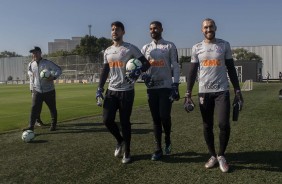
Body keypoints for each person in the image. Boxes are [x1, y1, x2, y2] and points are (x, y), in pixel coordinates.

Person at [184, 18, 243, 173]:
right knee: (207, 125)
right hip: (204, 92)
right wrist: (188, 93)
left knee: (224, 124)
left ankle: (222, 155)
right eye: (205, 27)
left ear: (215, 27)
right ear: (201, 30)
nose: (208, 29)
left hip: (221, 91)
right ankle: (212, 156)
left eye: (210, 26)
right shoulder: (196, 47)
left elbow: (231, 68)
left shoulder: (224, 45)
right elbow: (192, 71)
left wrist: (237, 90)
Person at [95, 21, 151, 164]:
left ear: (123, 32)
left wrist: (138, 71)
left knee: (125, 122)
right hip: (111, 91)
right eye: (112, 29)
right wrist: (100, 88)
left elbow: (146, 63)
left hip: (126, 90)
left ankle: (128, 152)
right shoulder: (107, 51)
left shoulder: (130, 48)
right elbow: (105, 70)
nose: (114, 32)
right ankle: (120, 141)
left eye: (117, 29)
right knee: (107, 120)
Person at [141, 21, 180, 161]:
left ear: (162, 29)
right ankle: (158, 149)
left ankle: (167, 138)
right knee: (156, 119)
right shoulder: (145, 48)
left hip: (166, 87)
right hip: (152, 88)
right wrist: (143, 76)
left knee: (164, 116)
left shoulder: (169, 45)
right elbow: (140, 67)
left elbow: (175, 65)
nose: (153, 30)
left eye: (155, 28)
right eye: (151, 28)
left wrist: (175, 84)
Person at [23, 46, 62, 131]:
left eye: (36, 52)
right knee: (34, 108)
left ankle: (53, 125)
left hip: (49, 90)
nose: (34, 54)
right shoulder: (31, 64)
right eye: (33, 53)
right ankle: (31, 126)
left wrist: (53, 77)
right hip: (37, 90)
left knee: (52, 108)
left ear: (40, 53)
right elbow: (30, 73)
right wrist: (32, 85)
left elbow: (59, 70)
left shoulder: (47, 63)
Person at [27, 61, 45, 127]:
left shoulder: (42, 63)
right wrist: (34, 74)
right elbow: (29, 72)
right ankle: (36, 121)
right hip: (33, 87)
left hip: (41, 87)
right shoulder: (31, 63)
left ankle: (37, 120)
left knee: (39, 105)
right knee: (36, 105)